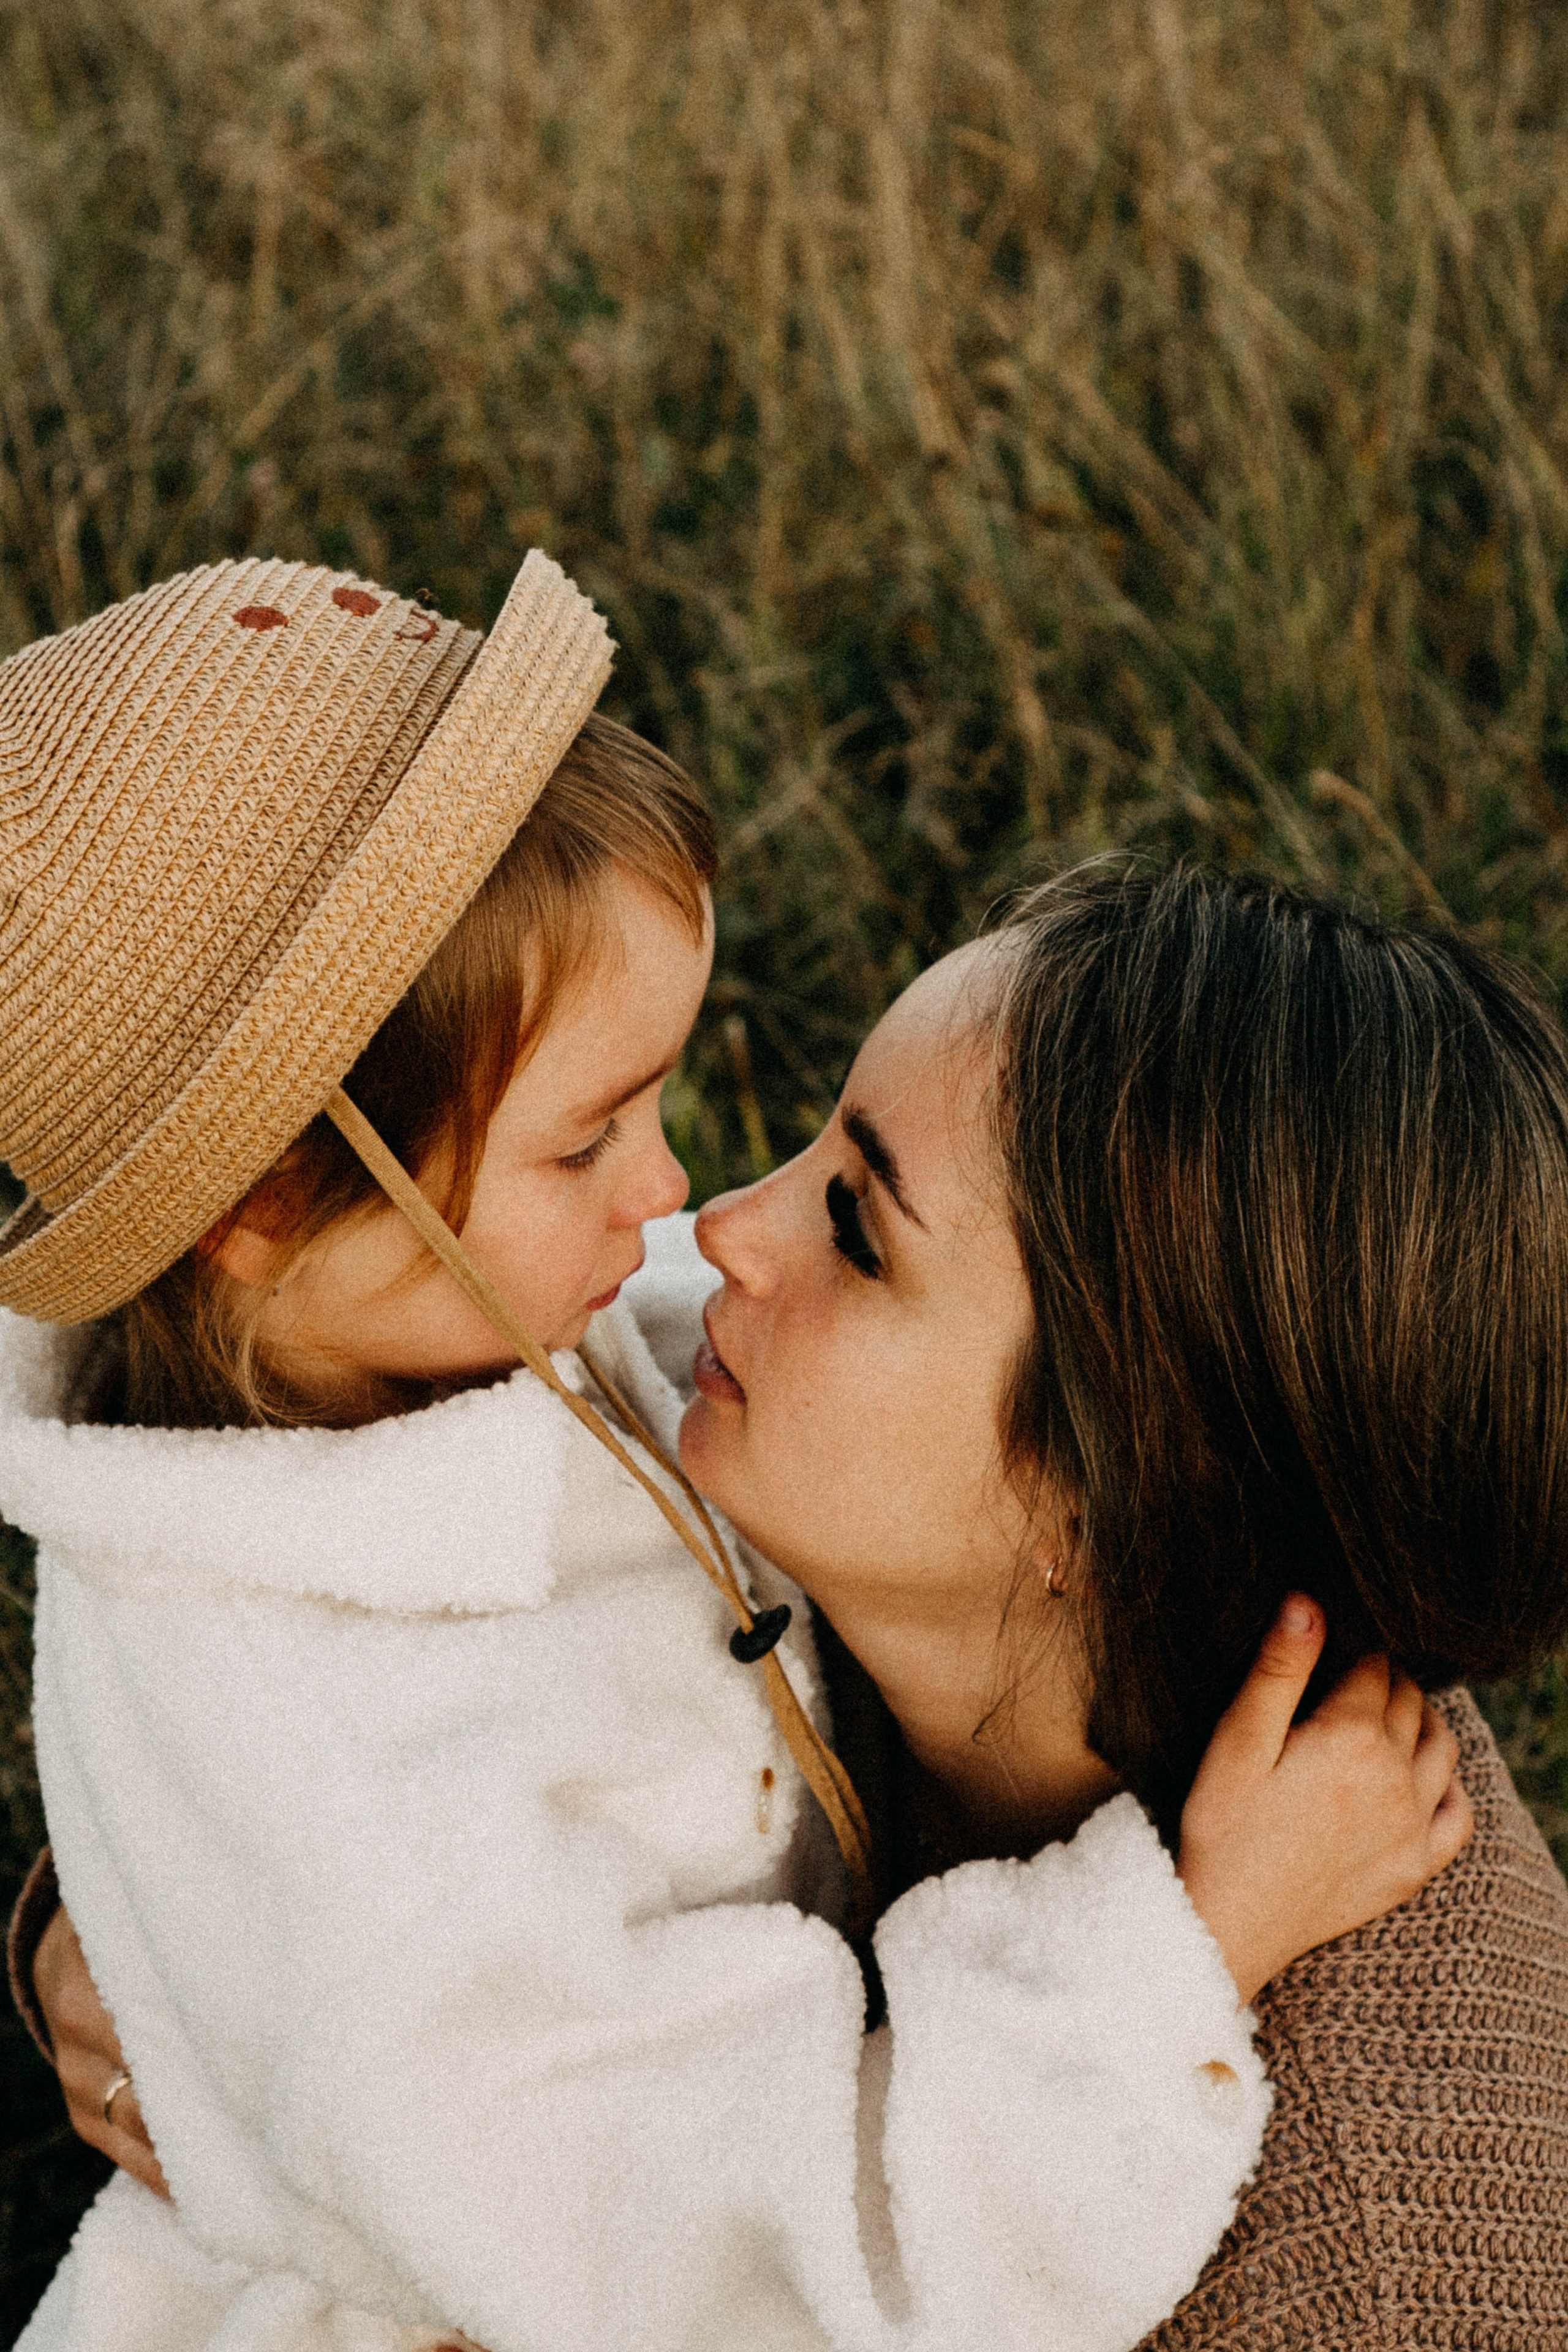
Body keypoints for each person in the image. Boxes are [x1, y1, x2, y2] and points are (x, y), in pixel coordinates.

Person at [0, 559, 1466, 2352]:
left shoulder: (406, 1327)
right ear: (270, 1208)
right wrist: (1183, 1947)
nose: (686, 1203)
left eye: (848, 1217)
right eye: (589, 1136)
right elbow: (759, 2268)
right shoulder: (355, 1813)